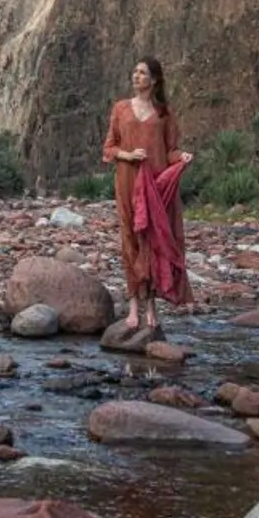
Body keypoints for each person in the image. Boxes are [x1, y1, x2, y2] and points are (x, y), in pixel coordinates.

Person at [102, 57, 193, 340]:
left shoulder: (164, 113)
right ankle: (132, 306)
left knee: (153, 241)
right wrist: (128, 155)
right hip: (128, 180)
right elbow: (109, 147)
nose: (136, 76)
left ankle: (152, 306)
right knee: (130, 238)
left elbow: (171, 151)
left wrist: (183, 157)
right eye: (135, 71)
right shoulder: (120, 109)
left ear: (154, 80)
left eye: (142, 73)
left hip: (156, 183)